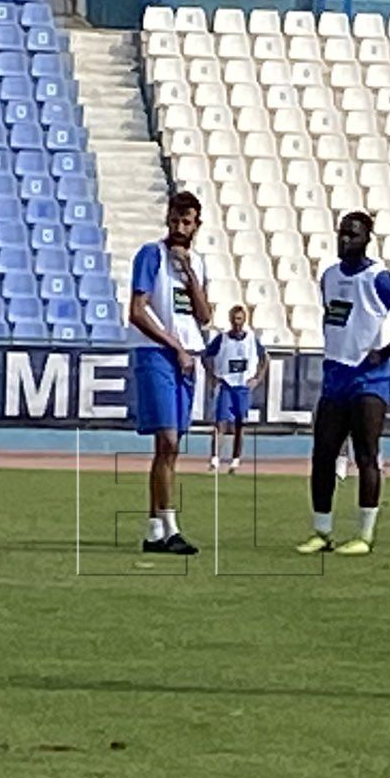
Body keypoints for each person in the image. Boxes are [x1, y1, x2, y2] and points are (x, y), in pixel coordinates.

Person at [295, 211, 390, 557]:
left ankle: (364, 535)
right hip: (335, 377)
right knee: (323, 455)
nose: (344, 240)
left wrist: (383, 353)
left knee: (366, 454)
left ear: (367, 239)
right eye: (342, 233)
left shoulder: (378, 278)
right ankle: (321, 531)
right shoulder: (329, 276)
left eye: (352, 235)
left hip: (369, 380)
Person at [127, 190, 212, 554]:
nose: (179, 227)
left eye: (186, 222)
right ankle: (171, 528)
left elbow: (205, 316)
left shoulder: (199, 264)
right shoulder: (152, 255)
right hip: (158, 354)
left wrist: (190, 273)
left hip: (186, 357)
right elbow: (136, 309)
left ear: (196, 225)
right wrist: (174, 346)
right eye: (175, 220)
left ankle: (154, 530)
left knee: (169, 449)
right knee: (168, 441)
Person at [203, 304, 266, 473]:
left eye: (240, 319)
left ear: (244, 320)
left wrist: (257, 378)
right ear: (230, 320)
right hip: (227, 384)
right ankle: (215, 458)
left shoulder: (251, 339)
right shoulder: (222, 338)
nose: (237, 323)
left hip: (243, 386)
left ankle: (235, 460)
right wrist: (212, 376)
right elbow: (206, 356)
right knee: (220, 423)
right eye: (234, 319)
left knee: (240, 423)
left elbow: (264, 358)